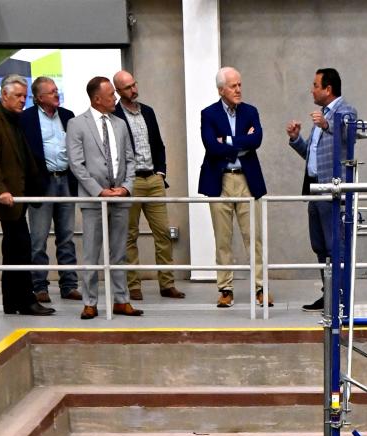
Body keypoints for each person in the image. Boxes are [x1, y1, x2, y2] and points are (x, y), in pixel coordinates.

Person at [0, 74, 55, 316]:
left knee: (14, 249)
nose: (23, 101)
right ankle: (25, 300)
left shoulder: (13, 118)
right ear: (4, 96)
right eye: (18, 96)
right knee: (19, 247)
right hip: (8, 198)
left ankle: (13, 302)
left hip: (19, 194)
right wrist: (0, 190)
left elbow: (22, 156)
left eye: (25, 96)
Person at [67, 76, 141, 319]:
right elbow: (77, 165)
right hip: (93, 200)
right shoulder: (77, 124)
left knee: (119, 252)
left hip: (120, 198)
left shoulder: (120, 124)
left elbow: (130, 159)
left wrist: (127, 188)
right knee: (91, 253)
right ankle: (90, 302)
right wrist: (99, 191)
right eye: (111, 95)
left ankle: (121, 299)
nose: (116, 99)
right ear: (97, 99)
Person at [198, 67, 272, 309]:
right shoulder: (208, 114)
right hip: (219, 182)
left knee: (254, 238)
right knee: (223, 239)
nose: (239, 89)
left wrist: (227, 141)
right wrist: (241, 142)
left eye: (240, 84)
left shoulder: (251, 111)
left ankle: (261, 287)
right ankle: (225, 289)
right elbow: (211, 146)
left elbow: (257, 140)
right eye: (233, 86)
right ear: (221, 90)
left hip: (247, 181)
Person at [286, 68, 359, 310]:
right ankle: (327, 293)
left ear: (328, 89)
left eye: (315, 85)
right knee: (319, 244)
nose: (312, 90)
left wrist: (327, 123)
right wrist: (297, 139)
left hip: (332, 190)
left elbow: (350, 134)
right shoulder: (321, 117)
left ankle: (339, 296)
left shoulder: (345, 110)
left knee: (334, 244)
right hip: (315, 189)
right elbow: (312, 155)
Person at [113, 69, 184, 301]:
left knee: (163, 232)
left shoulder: (148, 112)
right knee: (130, 235)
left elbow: (159, 144)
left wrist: (161, 173)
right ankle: (133, 285)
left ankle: (167, 283)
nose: (133, 90)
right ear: (118, 91)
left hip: (153, 179)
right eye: (127, 87)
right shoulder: (114, 114)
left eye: (134, 84)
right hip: (130, 182)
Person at [20, 76, 81, 303]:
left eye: (57, 90)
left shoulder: (67, 116)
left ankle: (69, 285)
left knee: (66, 237)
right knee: (38, 238)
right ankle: (39, 286)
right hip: (41, 184)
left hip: (65, 181)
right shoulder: (26, 119)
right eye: (52, 91)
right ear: (39, 97)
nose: (57, 94)